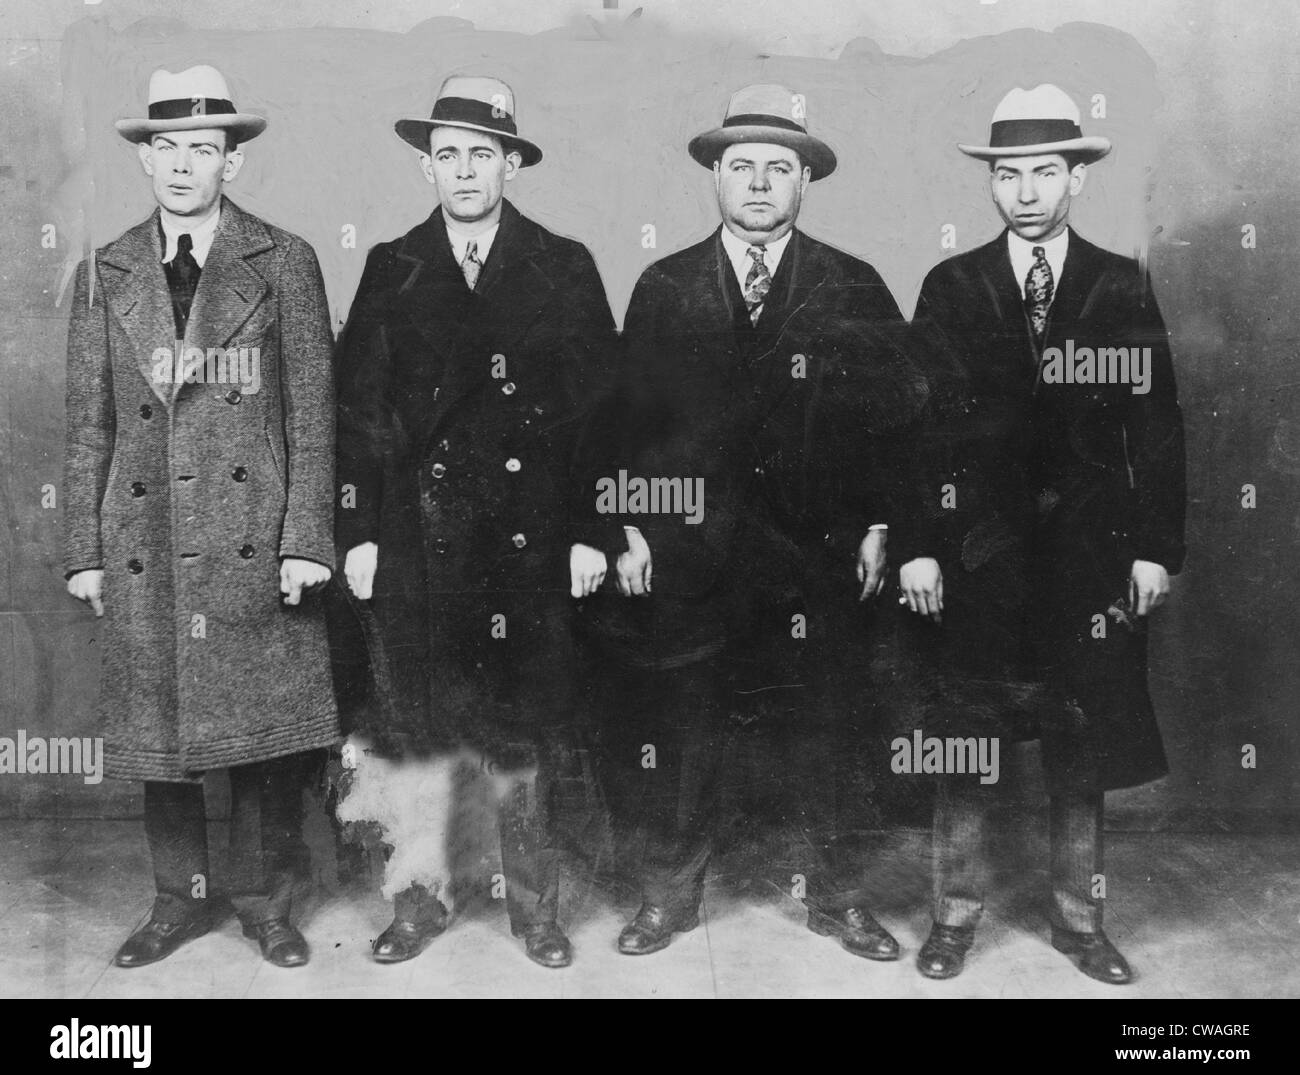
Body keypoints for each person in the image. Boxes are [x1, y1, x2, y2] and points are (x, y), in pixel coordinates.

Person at [584, 83, 924, 959]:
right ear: (715, 179)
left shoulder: (854, 284)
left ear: (807, 182)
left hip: (818, 558)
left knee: (828, 730)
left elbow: (901, 425)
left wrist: (884, 522)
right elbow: (624, 424)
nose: (761, 184)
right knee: (682, 728)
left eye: (781, 167)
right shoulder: (666, 286)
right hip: (694, 553)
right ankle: (669, 895)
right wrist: (630, 528)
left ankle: (838, 896)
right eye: (744, 168)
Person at [899, 83, 1186, 984]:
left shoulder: (1118, 283)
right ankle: (953, 918)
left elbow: (1157, 425)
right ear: (991, 184)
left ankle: (1079, 922)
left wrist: (1152, 549)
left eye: (1044, 173)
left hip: (1088, 560)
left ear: (1076, 182)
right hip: (976, 558)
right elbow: (916, 426)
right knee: (966, 743)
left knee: (1082, 747)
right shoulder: (951, 286)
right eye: (1009, 175)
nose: (1025, 192)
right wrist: (916, 544)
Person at [333, 76, 618, 969]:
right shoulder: (392, 264)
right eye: (448, 154)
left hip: (529, 538)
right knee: (416, 732)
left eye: (482, 154)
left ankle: (535, 907)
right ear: (427, 165)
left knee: (525, 732)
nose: (464, 171)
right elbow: (359, 416)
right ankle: (418, 900)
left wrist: (591, 532)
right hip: (421, 539)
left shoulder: (563, 265)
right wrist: (360, 536)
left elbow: (600, 414)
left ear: (511, 163)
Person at [63, 65, 338, 969]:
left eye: (203, 150)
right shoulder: (106, 271)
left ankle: (265, 905)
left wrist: (305, 540)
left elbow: (312, 415)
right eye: (165, 148)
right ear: (145, 160)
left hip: (249, 539)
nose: (182, 165)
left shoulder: (284, 260)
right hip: (144, 544)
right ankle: (175, 902)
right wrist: (83, 553)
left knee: (256, 739)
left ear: (233, 164)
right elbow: (87, 423)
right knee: (161, 742)